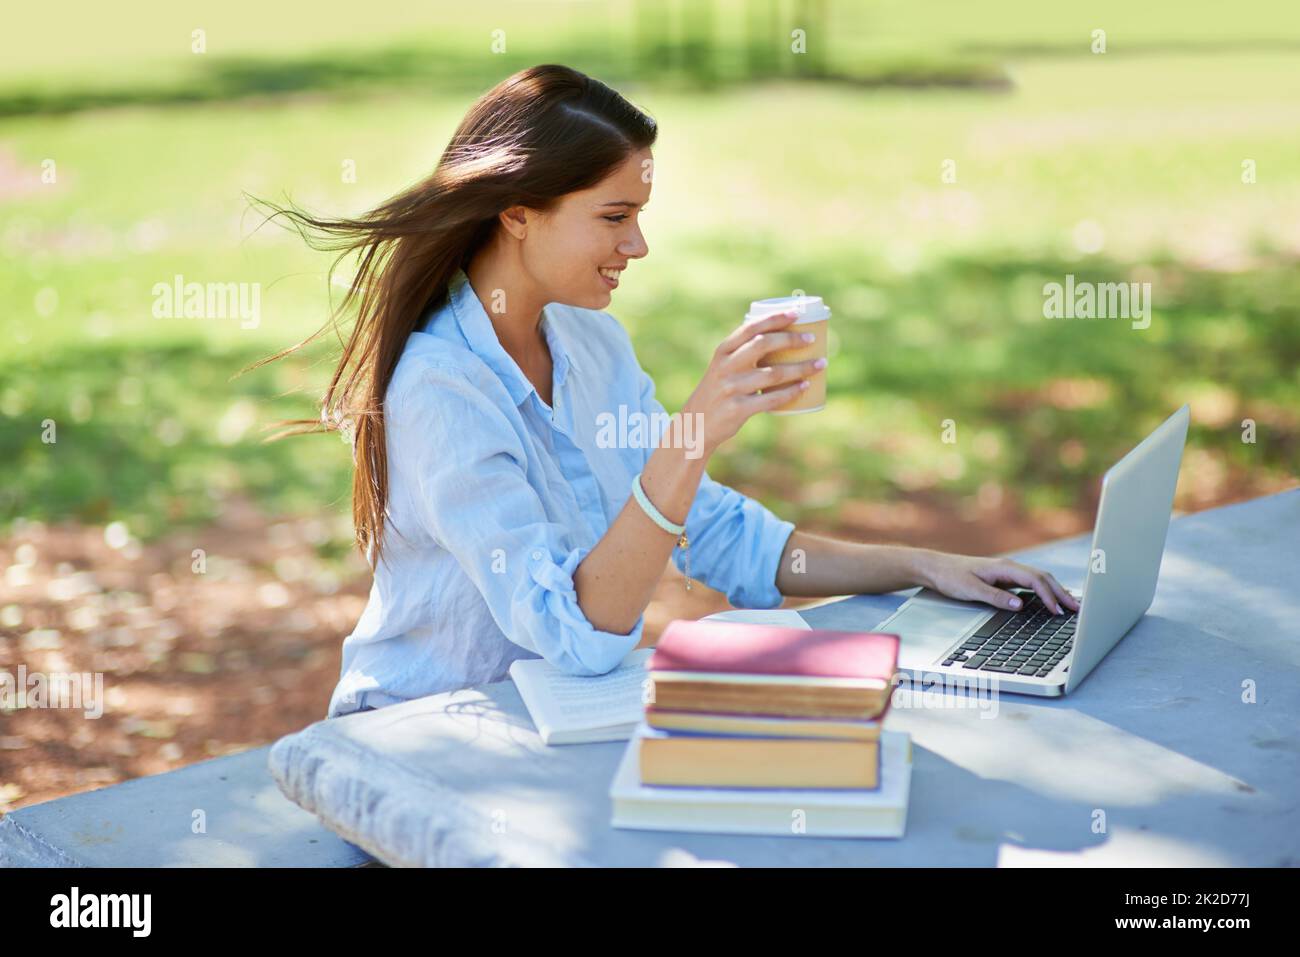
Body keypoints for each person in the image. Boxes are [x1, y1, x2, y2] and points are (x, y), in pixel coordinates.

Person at [252, 64, 1077, 718]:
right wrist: (689, 440)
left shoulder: (589, 339)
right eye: (614, 217)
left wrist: (923, 565)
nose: (638, 245)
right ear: (516, 213)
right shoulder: (442, 389)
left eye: (639, 214)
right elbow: (576, 633)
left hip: (553, 720)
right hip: (423, 735)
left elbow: (722, 539)